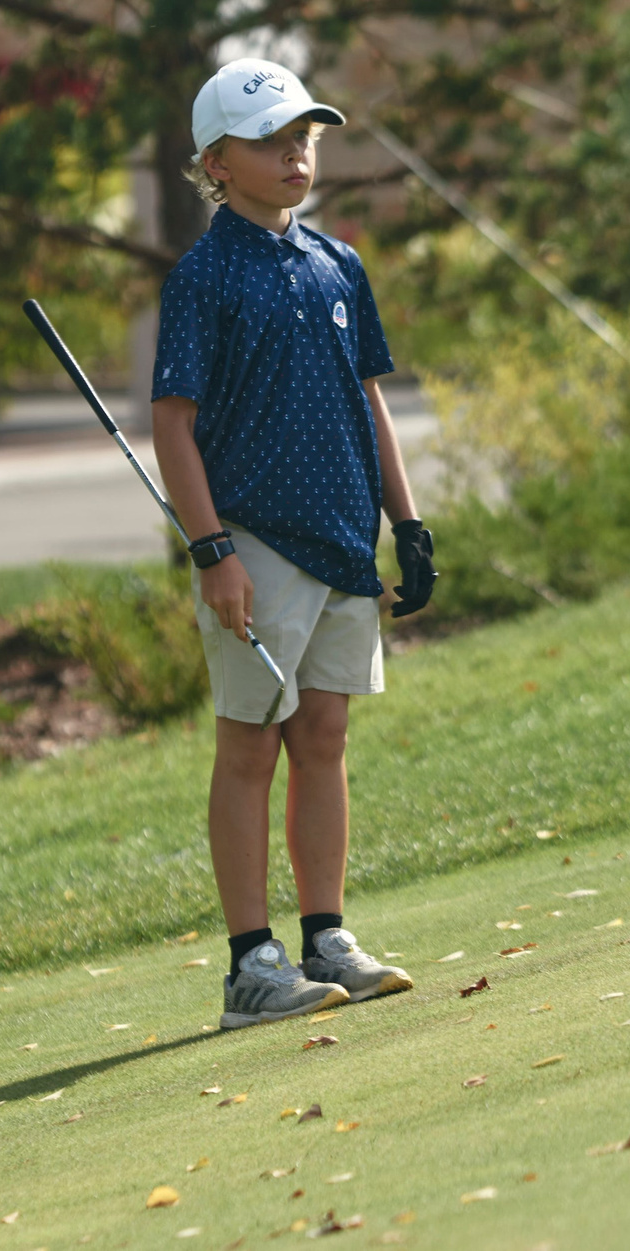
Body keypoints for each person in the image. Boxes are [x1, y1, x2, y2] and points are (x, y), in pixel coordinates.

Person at [150, 57, 440, 1030]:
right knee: (249, 750)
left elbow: (369, 401)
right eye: (275, 141)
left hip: (344, 538)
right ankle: (249, 967)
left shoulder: (337, 264)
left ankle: (326, 939)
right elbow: (173, 424)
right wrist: (210, 552)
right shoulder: (203, 278)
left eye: (305, 137)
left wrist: (408, 522)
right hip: (255, 543)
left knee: (324, 738)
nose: (297, 154)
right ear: (215, 162)